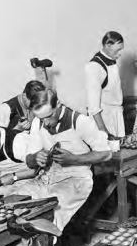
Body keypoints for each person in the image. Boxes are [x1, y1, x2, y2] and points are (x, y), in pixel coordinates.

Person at [23, 87, 113, 231]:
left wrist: (74, 159)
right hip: (48, 177)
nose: (45, 123)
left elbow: (106, 153)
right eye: (41, 118)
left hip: (76, 179)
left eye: (49, 116)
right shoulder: (37, 122)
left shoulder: (79, 121)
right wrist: (35, 158)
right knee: (21, 204)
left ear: (58, 104)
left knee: (52, 214)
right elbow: (29, 160)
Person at [85, 31, 125, 139]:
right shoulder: (94, 67)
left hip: (116, 115)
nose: (119, 54)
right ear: (108, 46)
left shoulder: (112, 61)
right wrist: (105, 133)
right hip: (104, 119)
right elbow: (93, 107)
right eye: (117, 50)